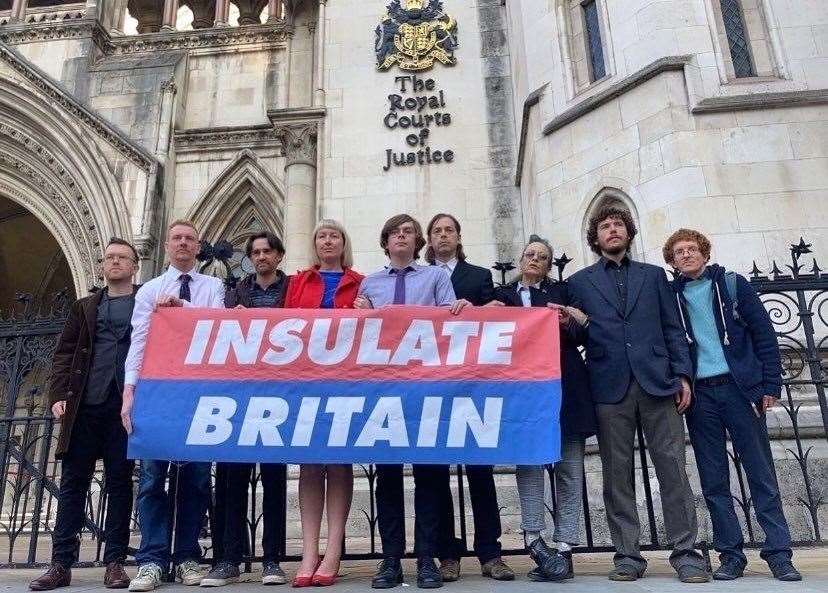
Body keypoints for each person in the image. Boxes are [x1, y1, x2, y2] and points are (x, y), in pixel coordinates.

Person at [566, 206, 710, 583]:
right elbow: (577, 337)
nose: (612, 231)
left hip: (658, 383)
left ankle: (686, 552)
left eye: (618, 225)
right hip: (609, 389)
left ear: (628, 233)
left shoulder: (654, 276)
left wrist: (682, 374)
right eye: (604, 227)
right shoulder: (580, 282)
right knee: (617, 475)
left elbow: (673, 326)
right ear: (595, 238)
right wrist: (574, 322)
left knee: (673, 470)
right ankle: (627, 554)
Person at [663, 228, 801, 581]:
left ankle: (779, 552)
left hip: (740, 391)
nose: (686, 255)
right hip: (700, 396)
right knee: (713, 480)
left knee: (761, 473)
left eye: (692, 249)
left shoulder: (732, 284)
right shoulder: (670, 296)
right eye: (678, 252)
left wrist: (770, 384)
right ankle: (730, 553)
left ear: (705, 253)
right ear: (672, 260)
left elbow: (765, 337)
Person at [354, 214, 470, 589]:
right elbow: (363, 335)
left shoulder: (436, 277)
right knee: (387, 479)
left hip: (426, 388)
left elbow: (451, 324)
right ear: (385, 241)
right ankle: (390, 560)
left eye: (408, 232)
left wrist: (458, 310)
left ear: (418, 241)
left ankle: (426, 558)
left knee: (430, 476)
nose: (401, 237)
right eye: (394, 233)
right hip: (384, 391)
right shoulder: (369, 283)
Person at [29, 239, 140, 591]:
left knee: (120, 485)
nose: (115, 262)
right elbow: (64, 353)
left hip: (124, 409)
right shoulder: (85, 307)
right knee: (73, 485)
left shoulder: (146, 305)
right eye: (110, 258)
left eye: (123, 257)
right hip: (85, 407)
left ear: (135, 266)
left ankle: (115, 562)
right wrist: (58, 395)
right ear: (102, 266)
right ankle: (61, 563)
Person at [122, 220, 226, 592]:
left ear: (198, 247)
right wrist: (129, 390)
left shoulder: (213, 288)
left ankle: (186, 557)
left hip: (199, 392)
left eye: (190, 239)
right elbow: (139, 341)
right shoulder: (149, 290)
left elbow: (216, 329)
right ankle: (150, 561)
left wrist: (182, 308)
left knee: (196, 479)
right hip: (156, 391)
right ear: (167, 246)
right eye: (177, 238)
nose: (183, 243)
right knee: (152, 479)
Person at [491, 236, 596, 582]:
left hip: (566, 387)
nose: (535, 259)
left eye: (542, 257)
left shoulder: (563, 293)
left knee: (569, 467)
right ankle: (533, 539)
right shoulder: (504, 296)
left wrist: (568, 318)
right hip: (523, 393)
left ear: (549, 265)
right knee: (530, 465)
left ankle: (565, 547)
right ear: (520, 260)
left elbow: (586, 327)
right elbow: (483, 325)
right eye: (530, 254)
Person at [424, 213, 514, 582]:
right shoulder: (421, 277)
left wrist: (483, 309)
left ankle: (491, 552)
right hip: (433, 386)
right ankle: (448, 552)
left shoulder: (478, 277)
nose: (443, 236)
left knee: (480, 472)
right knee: (437, 474)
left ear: (459, 236)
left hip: (474, 385)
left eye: (449, 230)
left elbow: (497, 313)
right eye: (437, 231)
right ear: (428, 239)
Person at [201, 232, 290, 588]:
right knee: (231, 479)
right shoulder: (234, 292)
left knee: (274, 480)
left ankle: (272, 559)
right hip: (238, 398)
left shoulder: (293, 291)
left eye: (267, 251)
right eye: (255, 252)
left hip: (279, 396)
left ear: (279, 256)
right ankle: (227, 558)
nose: (261, 257)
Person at [284, 220, 364, 588]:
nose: (328, 240)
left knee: (339, 462)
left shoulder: (361, 282)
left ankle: (333, 551)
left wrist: (367, 310)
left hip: (347, 384)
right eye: (321, 236)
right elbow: (284, 328)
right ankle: (309, 552)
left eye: (334, 235)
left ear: (343, 243)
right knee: (310, 464)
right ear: (314, 244)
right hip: (307, 383)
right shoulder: (298, 282)